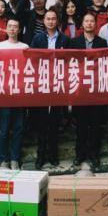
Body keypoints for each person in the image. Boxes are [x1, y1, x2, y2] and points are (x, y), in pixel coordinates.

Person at [30, 9, 69, 169]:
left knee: (54, 122)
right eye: (48, 19)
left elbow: (71, 60)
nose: (51, 21)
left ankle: (53, 155)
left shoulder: (64, 39)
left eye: (53, 19)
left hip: (58, 84)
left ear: (57, 21)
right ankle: (41, 155)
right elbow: (32, 59)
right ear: (44, 21)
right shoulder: (38, 38)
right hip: (42, 83)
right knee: (42, 123)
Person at [68, 12, 108, 167]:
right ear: (82, 24)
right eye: (87, 21)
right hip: (80, 89)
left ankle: (94, 155)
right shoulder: (74, 42)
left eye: (92, 21)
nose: (89, 23)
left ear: (95, 24)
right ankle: (80, 154)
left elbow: (105, 65)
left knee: (96, 125)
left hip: (96, 89)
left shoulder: (102, 42)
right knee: (81, 125)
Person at [0, 17, 29, 169]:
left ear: (19, 30)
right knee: (4, 129)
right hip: (4, 94)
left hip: (19, 94)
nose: (12, 29)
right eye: (10, 26)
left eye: (15, 26)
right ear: (6, 28)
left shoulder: (25, 47)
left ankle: (15, 158)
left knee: (18, 128)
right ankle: (4, 159)